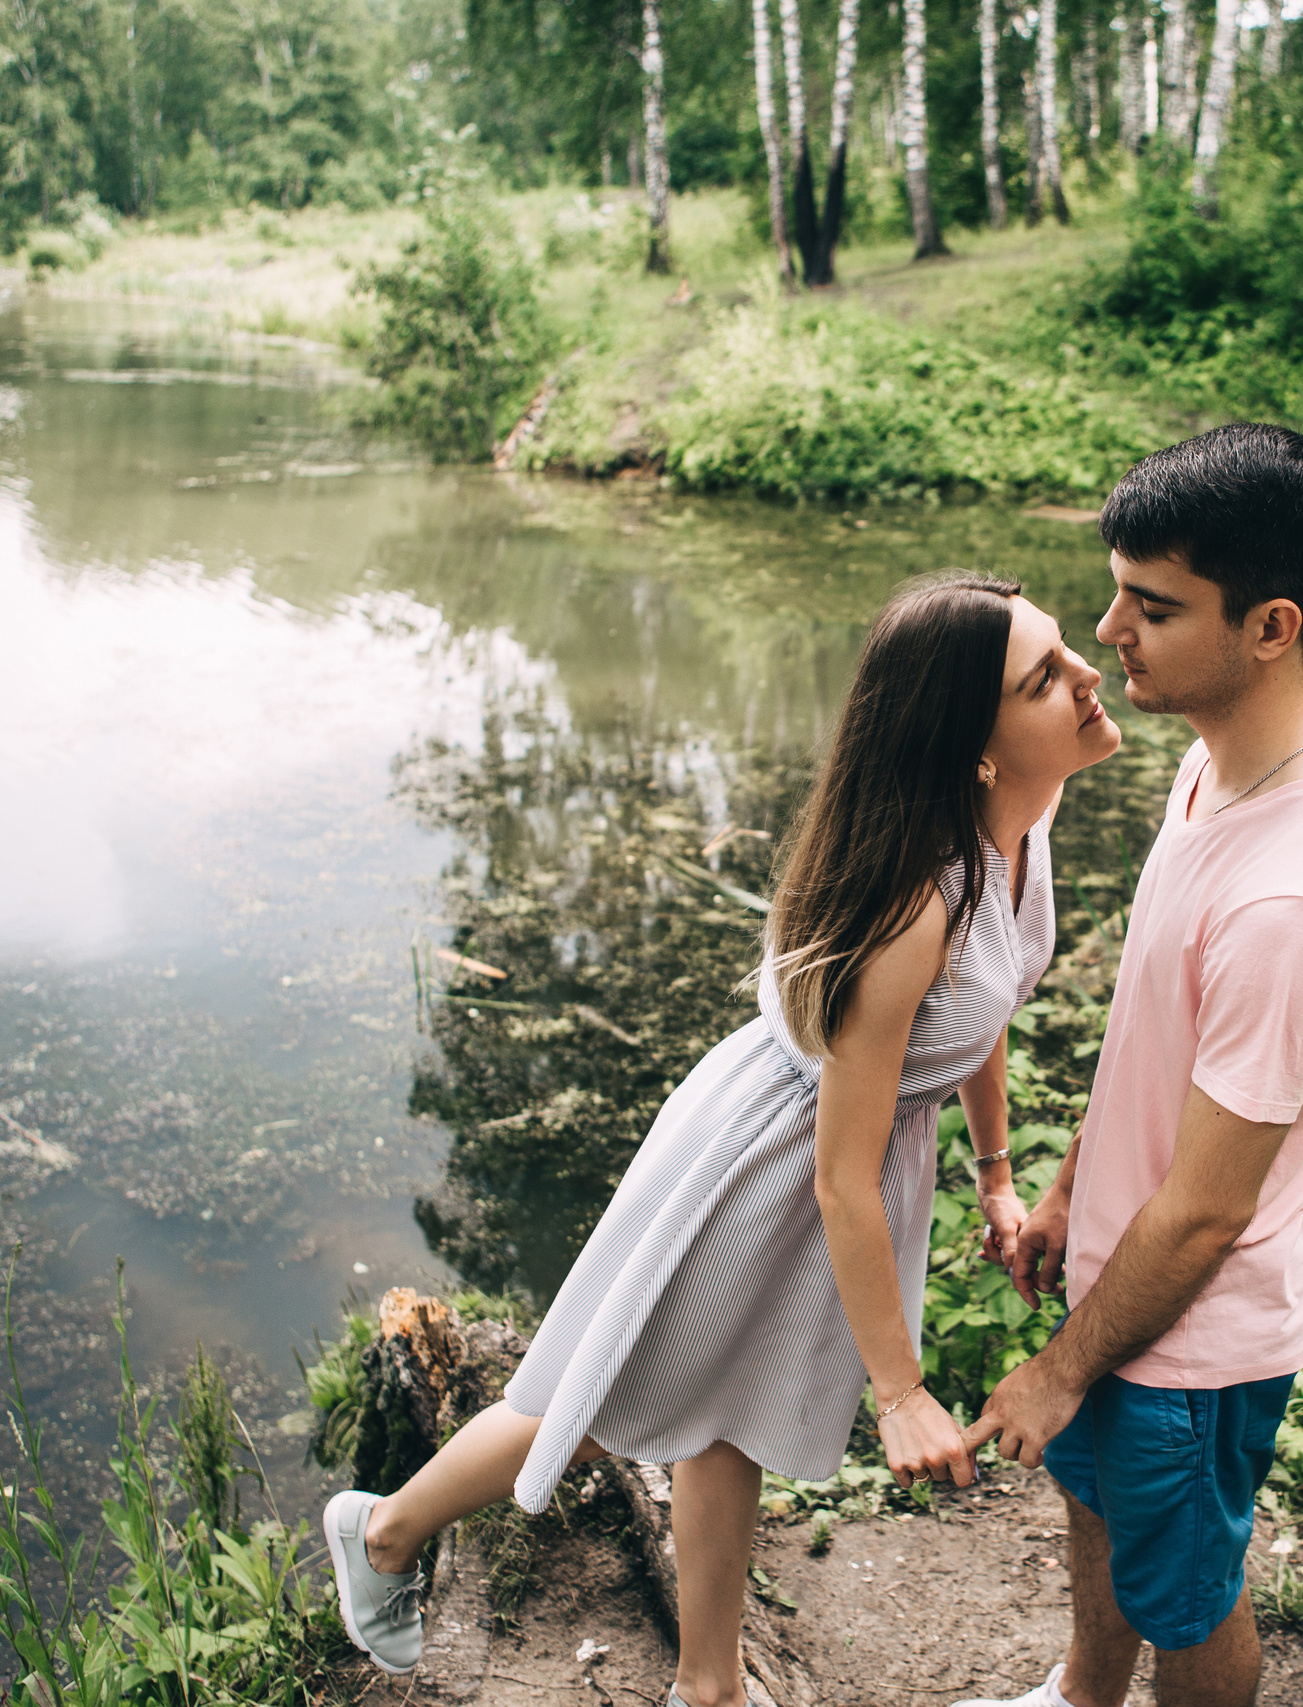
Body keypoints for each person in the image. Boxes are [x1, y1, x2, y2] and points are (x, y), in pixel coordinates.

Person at [322, 572, 1119, 1707]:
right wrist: (900, 1395)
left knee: (722, 1413)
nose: (1087, 674)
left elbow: (980, 1012)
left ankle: (709, 1688)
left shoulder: (1021, 825)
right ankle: (387, 1534)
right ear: (972, 745)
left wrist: (994, 1174)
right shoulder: (912, 902)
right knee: (614, 1395)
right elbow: (842, 1181)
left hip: (853, 1148)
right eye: (1044, 676)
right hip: (775, 1162)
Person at [956, 425, 1303, 1707]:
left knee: (1188, 1597)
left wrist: (1057, 1368)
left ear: (1270, 626)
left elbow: (1209, 1207)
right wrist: (1063, 1195)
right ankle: (1080, 1699)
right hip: (1123, 1276)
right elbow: (1159, 1059)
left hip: (1188, 1336)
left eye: (1151, 607)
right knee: (1098, 1516)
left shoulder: (1298, 904)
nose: (1108, 631)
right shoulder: (1215, 773)